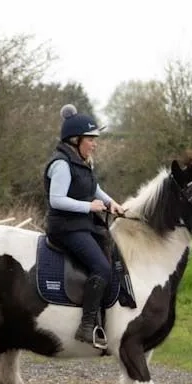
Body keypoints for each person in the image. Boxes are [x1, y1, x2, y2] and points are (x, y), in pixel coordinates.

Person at [43, 104, 123, 348]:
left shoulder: (82, 161)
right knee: (101, 267)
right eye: (90, 139)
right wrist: (89, 207)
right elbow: (57, 200)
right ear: (76, 140)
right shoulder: (62, 165)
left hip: (81, 225)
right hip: (65, 228)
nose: (94, 143)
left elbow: (93, 189)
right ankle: (87, 325)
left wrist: (112, 204)